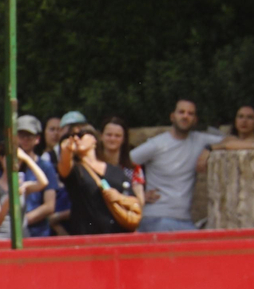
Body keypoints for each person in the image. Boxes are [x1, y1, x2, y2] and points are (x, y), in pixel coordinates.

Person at [129, 98, 221, 232]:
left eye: (190, 113)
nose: (185, 116)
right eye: (181, 112)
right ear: (172, 117)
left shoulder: (200, 140)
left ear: (195, 119)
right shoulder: (157, 144)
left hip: (184, 220)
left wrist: (210, 148)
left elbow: (231, 141)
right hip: (156, 218)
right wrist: (137, 194)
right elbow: (123, 163)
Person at [56, 120, 137, 235]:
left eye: (80, 135)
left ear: (94, 139)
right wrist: (66, 150)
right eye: (72, 136)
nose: (76, 139)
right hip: (86, 237)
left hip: (118, 236)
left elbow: (133, 201)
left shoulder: (116, 171)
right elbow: (64, 168)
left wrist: (118, 197)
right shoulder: (75, 170)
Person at [0, 115, 57, 238]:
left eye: (29, 136)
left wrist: (22, 220)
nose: (25, 139)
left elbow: (49, 204)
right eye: (21, 136)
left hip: (37, 232)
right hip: (6, 233)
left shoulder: (45, 166)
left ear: (37, 139)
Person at [0, 144, 51, 241]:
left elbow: (44, 182)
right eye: (9, 158)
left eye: (17, 159)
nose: (13, 162)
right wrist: (10, 197)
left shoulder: (23, 186)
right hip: (2, 237)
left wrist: (27, 159)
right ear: (1, 159)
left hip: (23, 237)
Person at [98, 116, 146, 205]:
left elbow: (140, 201)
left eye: (117, 136)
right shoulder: (92, 165)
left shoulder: (134, 169)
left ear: (124, 139)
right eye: (109, 135)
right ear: (101, 136)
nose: (112, 139)